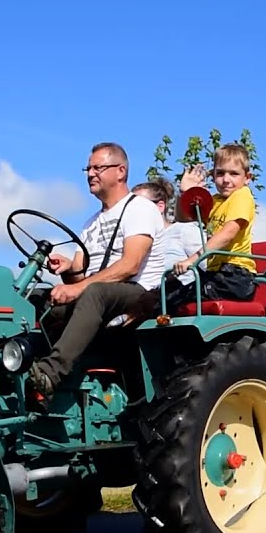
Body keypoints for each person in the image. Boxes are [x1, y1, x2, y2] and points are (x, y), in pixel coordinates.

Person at [27, 141, 166, 407]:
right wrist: (68, 270)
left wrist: (77, 289)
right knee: (40, 301)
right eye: (88, 169)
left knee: (95, 293)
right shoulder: (90, 223)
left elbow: (130, 266)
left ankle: (51, 373)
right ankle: (26, 367)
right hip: (102, 294)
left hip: (140, 295)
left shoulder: (139, 209)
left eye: (98, 168)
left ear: (121, 171)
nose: (91, 174)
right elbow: (78, 279)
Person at [161, 143, 259, 313]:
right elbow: (183, 218)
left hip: (236, 277)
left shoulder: (242, 196)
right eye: (220, 173)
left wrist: (191, 260)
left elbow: (227, 234)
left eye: (234, 174)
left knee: (173, 300)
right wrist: (185, 192)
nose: (226, 179)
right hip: (216, 275)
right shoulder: (214, 201)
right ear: (213, 175)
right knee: (165, 294)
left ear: (247, 177)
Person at [132, 177, 203, 287]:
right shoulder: (132, 242)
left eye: (140, 206)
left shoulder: (183, 231)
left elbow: (207, 265)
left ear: (160, 206)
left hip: (181, 297)